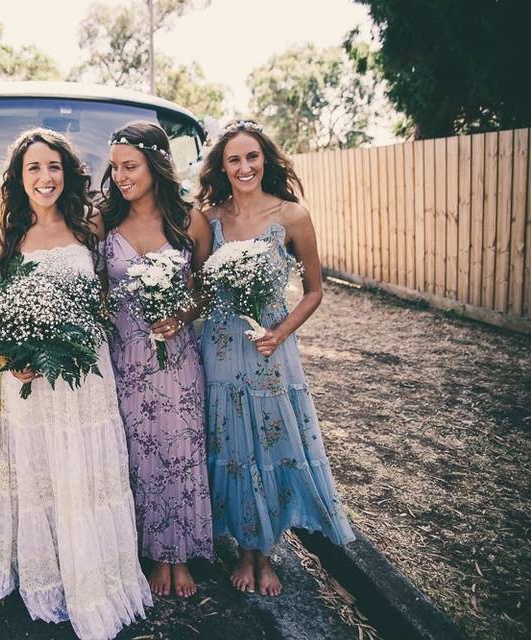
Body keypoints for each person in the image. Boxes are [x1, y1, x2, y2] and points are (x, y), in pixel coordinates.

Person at [0, 128, 151, 640]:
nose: (44, 177)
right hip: (29, 380)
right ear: (19, 176)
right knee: (42, 473)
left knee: (85, 473)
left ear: (68, 173)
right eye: (33, 167)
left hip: (84, 374)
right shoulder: (6, 235)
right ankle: (49, 579)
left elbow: (105, 292)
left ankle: (97, 581)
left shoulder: (91, 225)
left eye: (53, 166)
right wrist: (13, 358)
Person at [196, 120, 355, 597]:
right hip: (221, 348)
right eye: (234, 160)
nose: (244, 167)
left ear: (265, 159)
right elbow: (201, 291)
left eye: (252, 157)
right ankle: (241, 545)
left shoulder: (292, 215)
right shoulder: (210, 217)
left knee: (268, 444)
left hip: (269, 349)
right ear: (222, 168)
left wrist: (278, 332)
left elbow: (314, 290)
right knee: (231, 443)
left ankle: (264, 553)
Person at [100, 121, 215, 598]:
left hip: (178, 357)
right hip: (122, 354)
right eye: (114, 168)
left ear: (156, 164)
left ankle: (179, 553)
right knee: (134, 452)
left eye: (130, 166)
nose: (121, 176)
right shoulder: (102, 222)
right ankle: (147, 551)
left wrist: (182, 314)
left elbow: (205, 292)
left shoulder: (191, 221)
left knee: (179, 450)